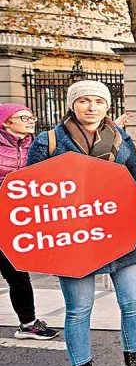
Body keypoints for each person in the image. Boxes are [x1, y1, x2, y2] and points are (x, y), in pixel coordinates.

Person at [27, 81, 136, 366]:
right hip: (74, 240)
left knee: (133, 304)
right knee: (79, 310)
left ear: (108, 106)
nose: (91, 107)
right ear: (72, 104)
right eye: (83, 100)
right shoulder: (49, 141)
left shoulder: (120, 138)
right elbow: (32, 190)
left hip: (122, 236)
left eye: (98, 100)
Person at [0, 103, 59, 341]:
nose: (30, 120)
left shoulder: (36, 145)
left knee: (17, 272)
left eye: (31, 116)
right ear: (6, 122)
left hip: (15, 220)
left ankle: (28, 323)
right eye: (23, 117)